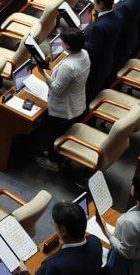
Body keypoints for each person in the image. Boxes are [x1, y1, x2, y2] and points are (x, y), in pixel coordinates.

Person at [36, 27, 90, 171]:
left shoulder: (68, 66)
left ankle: (53, 161)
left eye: (62, 41)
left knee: (54, 132)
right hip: (76, 101)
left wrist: (43, 74)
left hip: (63, 107)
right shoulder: (84, 54)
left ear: (68, 45)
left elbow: (57, 88)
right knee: (58, 129)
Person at [97, 172, 140, 275]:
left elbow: (125, 252)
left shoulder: (130, 223)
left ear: (137, 193)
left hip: (125, 264)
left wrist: (104, 229)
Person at [17, 200, 104, 274]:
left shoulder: (53, 266)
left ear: (62, 230)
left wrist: (24, 272)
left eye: (54, 222)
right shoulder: (95, 242)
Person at [82, 0, 122, 98]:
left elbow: (92, 50)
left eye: (94, 0)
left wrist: (78, 39)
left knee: (88, 94)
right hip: (107, 60)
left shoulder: (98, 27)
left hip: (95, 68)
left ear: (101, 4)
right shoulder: (117, 15)